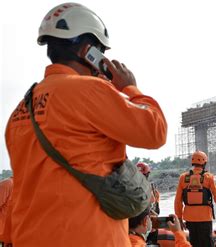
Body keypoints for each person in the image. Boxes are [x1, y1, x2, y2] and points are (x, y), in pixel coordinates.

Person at [4, 3, 167, 246]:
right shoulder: (89, 90)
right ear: (87, 50)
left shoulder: (19, 111)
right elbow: (155, 131)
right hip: (89, 237)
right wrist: (129, 87)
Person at [174, 150, 216, 247]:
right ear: (204, 163)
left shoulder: (183, 177)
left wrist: (179, 218)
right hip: (204, 217)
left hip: (189, 218)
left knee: (193, 242)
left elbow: (178, 200)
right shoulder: (209, 177)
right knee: (206, 242)